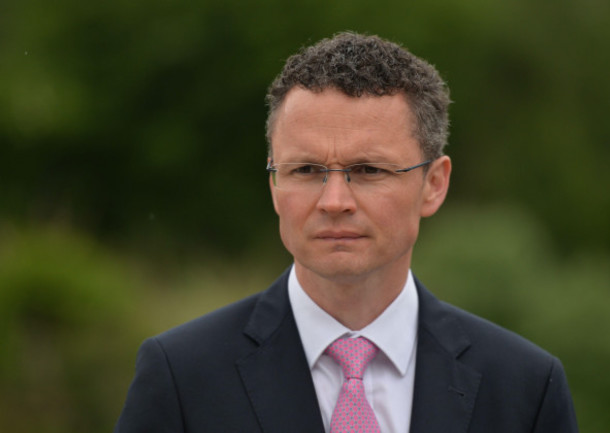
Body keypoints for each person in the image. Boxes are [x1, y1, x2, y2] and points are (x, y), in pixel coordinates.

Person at [114, 32, 578, 433]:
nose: (334, 201)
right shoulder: (182, 376)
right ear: (274, 184)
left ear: (433, 185)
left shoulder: (524, 386)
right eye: (307, 169)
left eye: (368, 169)